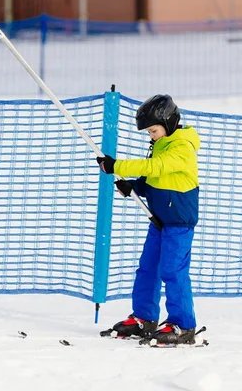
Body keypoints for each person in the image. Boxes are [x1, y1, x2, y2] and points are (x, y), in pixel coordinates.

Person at [96, 94, 201, 345]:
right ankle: (145, 318)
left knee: (172, 271)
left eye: (153, 130)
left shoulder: (182, 147)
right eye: (149, 132)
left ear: (169, 122)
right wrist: (134, 186)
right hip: (159, 220)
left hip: (178, 222)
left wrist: (117, 166)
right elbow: (154, 178)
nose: (151, 135)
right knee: (148, 268)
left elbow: (157, 168)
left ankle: (183, 325)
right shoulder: (162, 144)